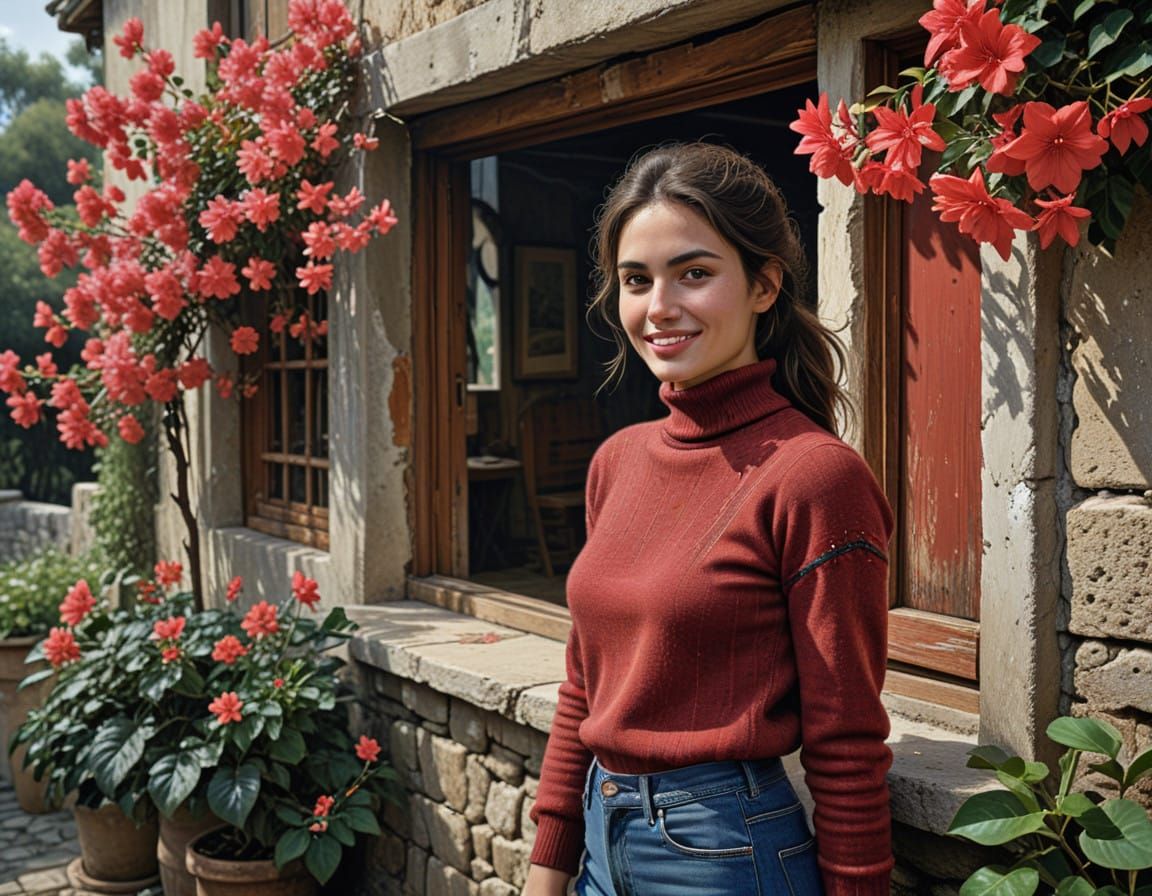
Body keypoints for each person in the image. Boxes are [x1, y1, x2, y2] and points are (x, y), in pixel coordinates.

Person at [521, 143, 895, 896]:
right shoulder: (616, 462)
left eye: (694, 273)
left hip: (724, 855)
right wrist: (547, 870)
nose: (659, 307)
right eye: (637, 280)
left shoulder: (814, 477)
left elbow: (847, 735)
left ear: (763, 286)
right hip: (601, 840)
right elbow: (584, 687)